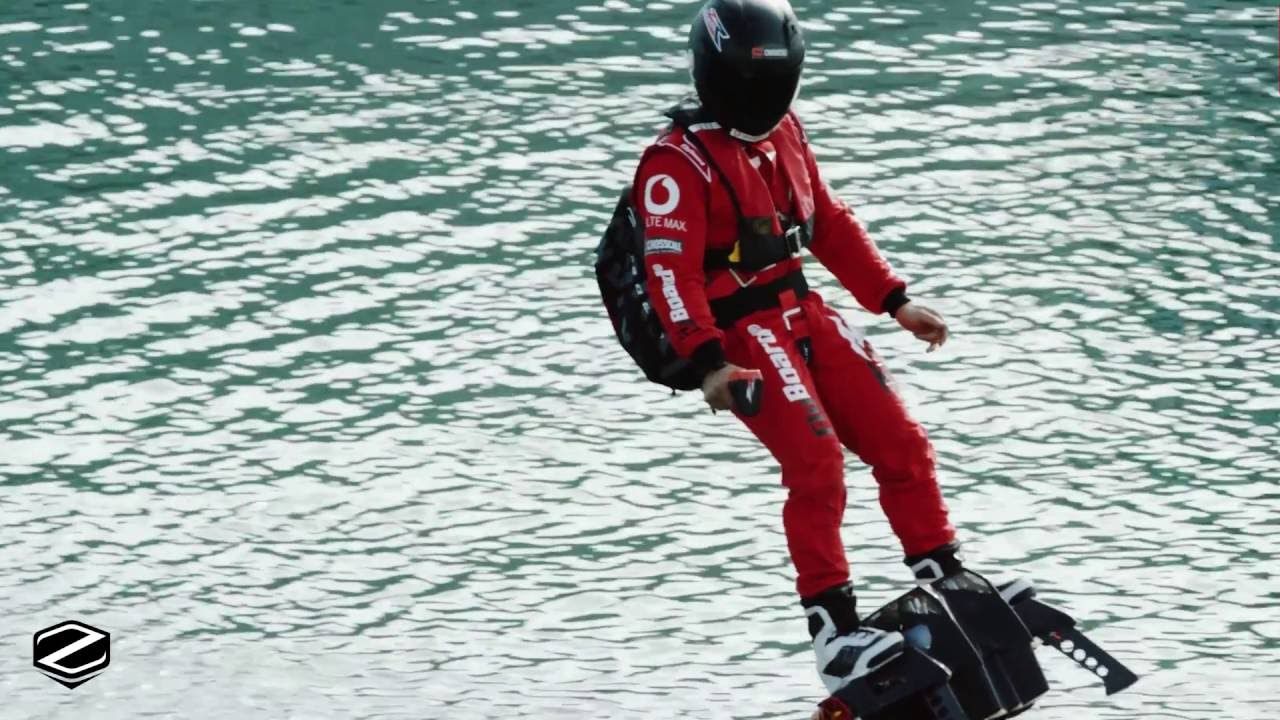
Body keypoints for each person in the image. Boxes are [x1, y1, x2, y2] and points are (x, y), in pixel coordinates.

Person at [630, 0, 968, 694]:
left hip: (805, 311)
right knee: (817, 468)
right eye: (750, 84)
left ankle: (944, 573)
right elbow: (670, 273)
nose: (763, 98)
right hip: (742, 336)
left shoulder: (787, 131)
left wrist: (895, 300)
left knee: (902, 442)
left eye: (773, 83)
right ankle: (833, 630)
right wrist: (707, 362)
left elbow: (829, 222)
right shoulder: (674, 164)